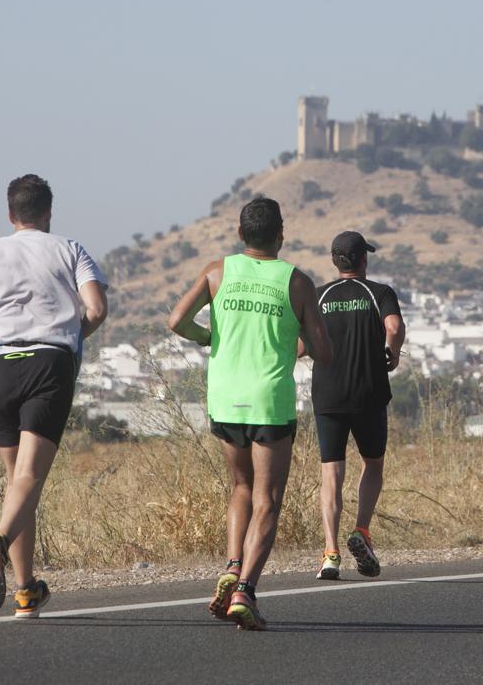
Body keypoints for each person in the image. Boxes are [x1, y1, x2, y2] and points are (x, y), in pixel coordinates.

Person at [0, 174, 108, 618]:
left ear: (10, 214)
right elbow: (96, 309)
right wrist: (72, 336)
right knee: (29, 479)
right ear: (48, 214)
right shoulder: (70, 249)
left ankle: (25, 592)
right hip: (48, 364)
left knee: (19, 482)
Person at [168, 197, 332, 630]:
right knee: (269, 499)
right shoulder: (296, 282)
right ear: (281, 235)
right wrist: (294, 347)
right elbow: (323, 349)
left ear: (241, 234)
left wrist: (207, 338)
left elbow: (176, 321)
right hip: (269, 401)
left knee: (240, 485)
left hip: (224, 399)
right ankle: (246, 590)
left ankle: (231, 563)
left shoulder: (216, 271)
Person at [305, 231, 405, 580]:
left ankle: (330, 553)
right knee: (372, 464)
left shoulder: (319, 296)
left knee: (331, 473)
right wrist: (391, 352)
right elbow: (393, 326)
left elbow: (302, 347)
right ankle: (361, 530)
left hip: (328, 396)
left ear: (335, 261)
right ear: (364, 259)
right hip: (369, 393)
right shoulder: (379, 292)